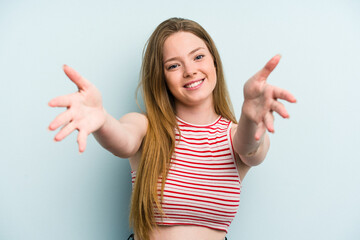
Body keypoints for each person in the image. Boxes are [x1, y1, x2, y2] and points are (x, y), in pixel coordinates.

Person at [48, 17, 296, 240]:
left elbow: (252, 147)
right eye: (174, 66)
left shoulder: (235, 134)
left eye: (198, 57)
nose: (190, 71)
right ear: (161, 77)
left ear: (214, 62)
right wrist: (102, 120)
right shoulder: (145, 125)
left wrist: (251, 118)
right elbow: (123, 140)